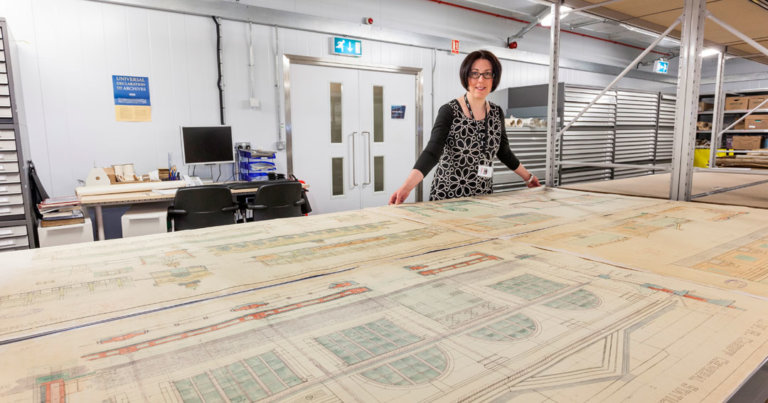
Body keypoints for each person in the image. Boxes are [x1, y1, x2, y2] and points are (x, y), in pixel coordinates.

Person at [389, 49, 541, 205]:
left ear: (494, 78)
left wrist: (528, 177)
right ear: (466, 76)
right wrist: (407, 188)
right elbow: (432, 152)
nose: (480, 80)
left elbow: (504, 152)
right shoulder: (449, 111)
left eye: (487, 74)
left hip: (484, 195)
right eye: (474, 73)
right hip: (449, 196)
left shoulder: (497, 113)